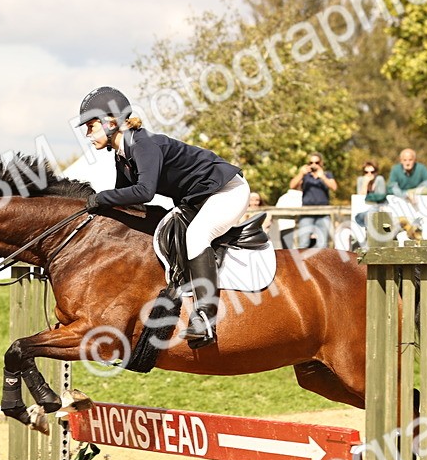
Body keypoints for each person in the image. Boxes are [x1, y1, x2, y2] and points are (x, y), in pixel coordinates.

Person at [79, 86, 249, 349]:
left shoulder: (144, 145)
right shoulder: (122, 155)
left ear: (111, 122)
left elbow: (144, 192)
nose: (87, 134)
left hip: (226, 191)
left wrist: (101, 198)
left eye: (91, 126)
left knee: (197, 235)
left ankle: (205, 317)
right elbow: (129, 202)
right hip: (196, 200)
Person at [288, 152, 336, 248]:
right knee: (303, 243)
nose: (314, 165)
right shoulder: (305, 176)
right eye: (311, 162)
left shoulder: (326, 174)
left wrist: (322, 177)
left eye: (316, 162)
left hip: (323, 213)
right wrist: (301, 173)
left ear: (321, 163)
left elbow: (334, 187)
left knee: (322, 244)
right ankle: (302, 263)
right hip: (306, 213)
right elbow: (292, 186)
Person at [354, 161, 389, 228]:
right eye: (366, 172)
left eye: (372, 172)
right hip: (363, 210)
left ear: (376, 172)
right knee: (360, 217)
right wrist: (365, 183)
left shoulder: (379, 179)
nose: (369, 174)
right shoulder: (361, 180)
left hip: (378, 209)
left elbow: (381, 197)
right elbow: (359, 199)